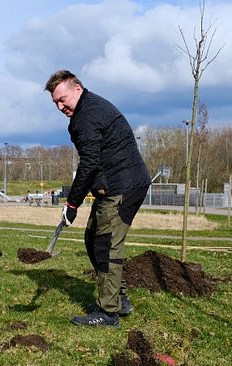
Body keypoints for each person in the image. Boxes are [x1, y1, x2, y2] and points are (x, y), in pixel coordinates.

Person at [45, 69, 151, 328]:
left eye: (63, 99)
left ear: (77, 89)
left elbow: (89, 163)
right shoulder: (86, 112)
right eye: (56, 103)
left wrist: (72, 203)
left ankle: (109, 312)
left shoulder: (87, 115)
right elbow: (95, 160)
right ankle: (117, 298)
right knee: (93, 238)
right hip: (116, 185)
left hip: (123, 187)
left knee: (106, 245)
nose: (60, 106)